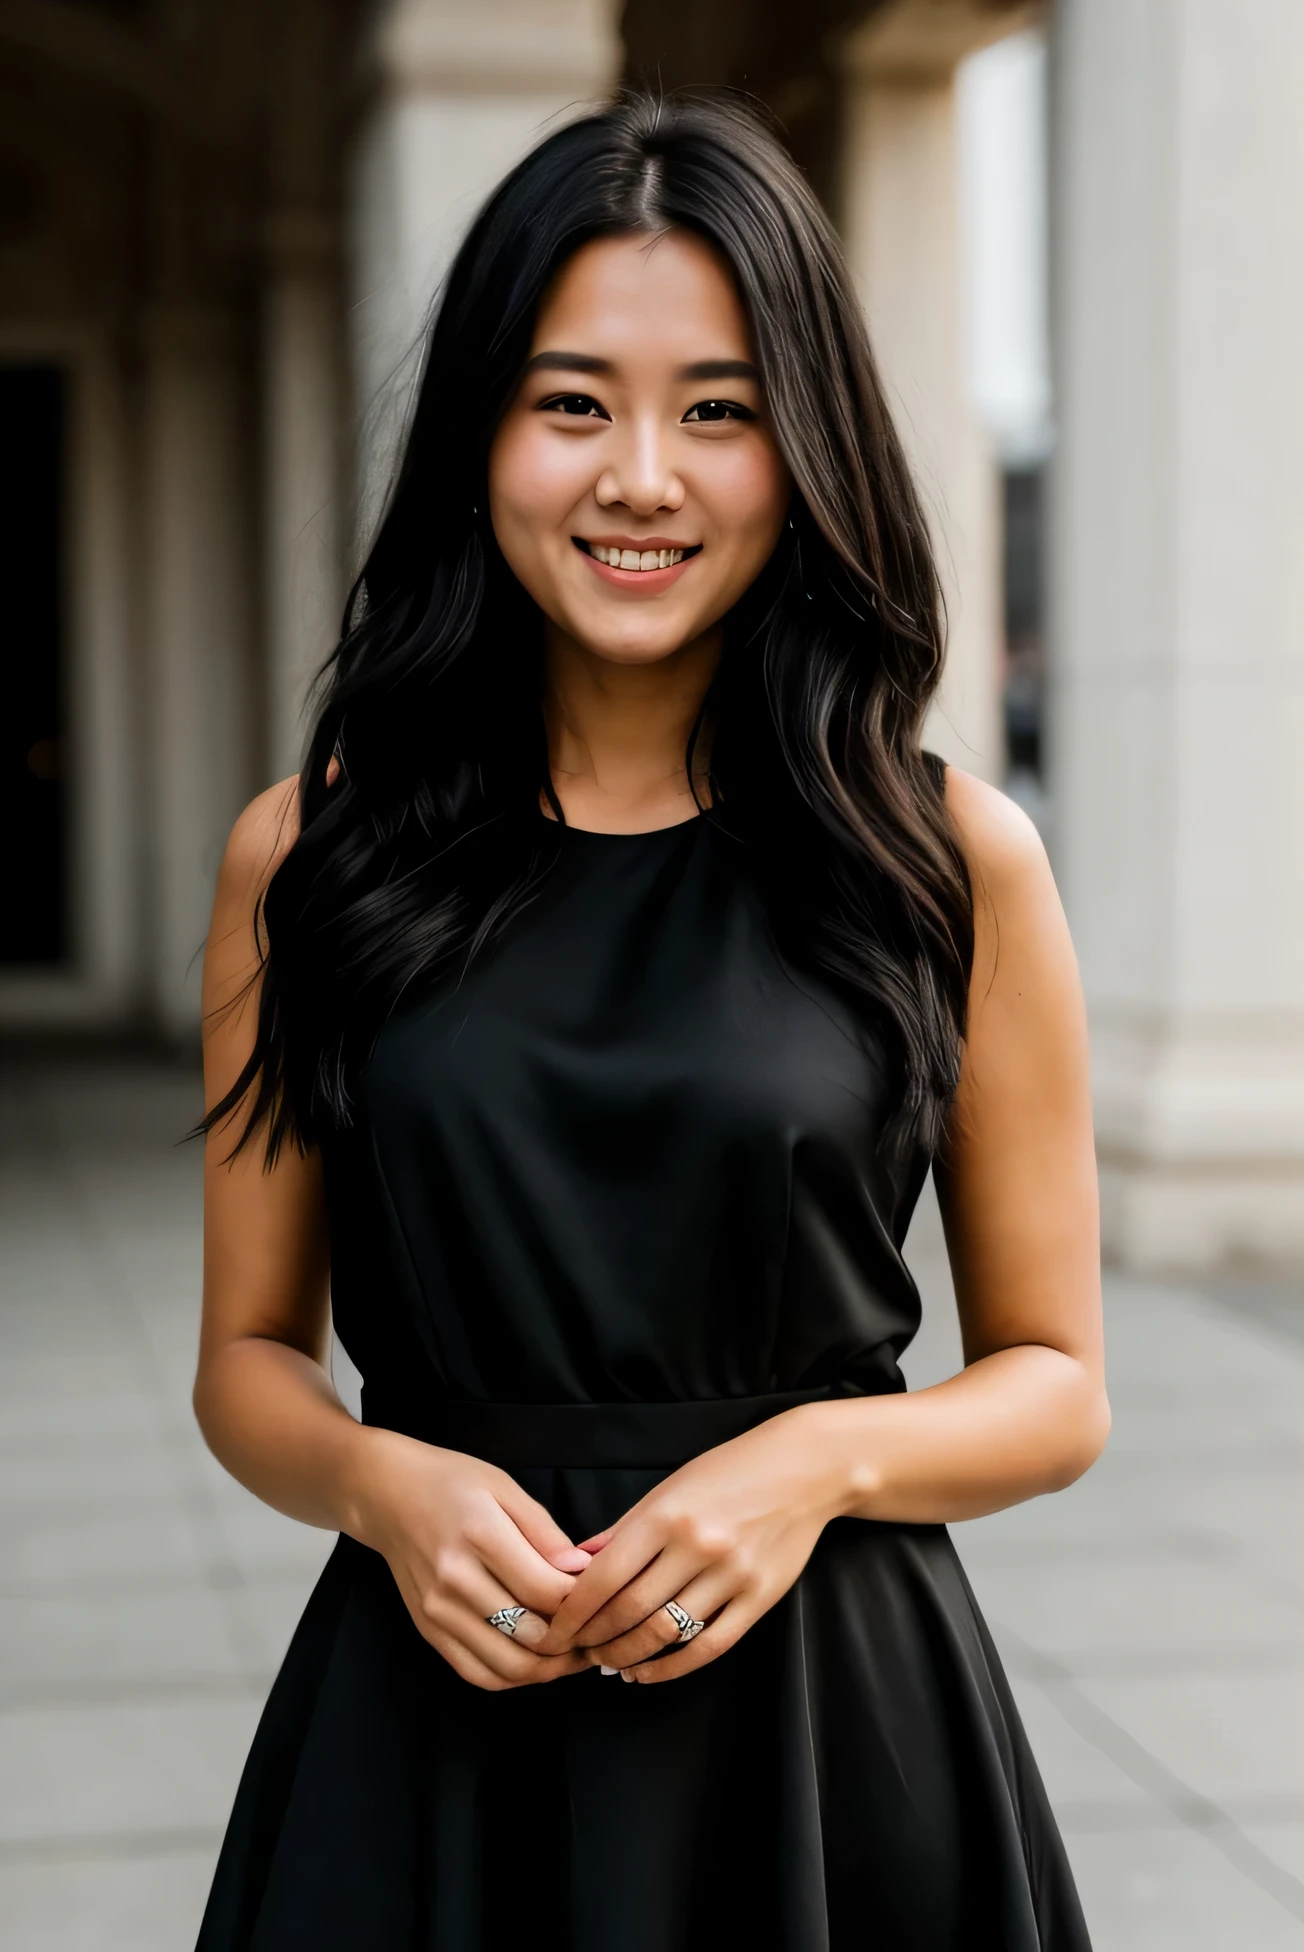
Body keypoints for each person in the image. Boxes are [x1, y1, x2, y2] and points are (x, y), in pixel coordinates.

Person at [193, 91, 1107, 1952]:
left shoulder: (947, 861)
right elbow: (246, 1364)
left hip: (833, 1735)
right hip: (431, 1724)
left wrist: (816, 1459)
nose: (642, 478)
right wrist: (381, 1487)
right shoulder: (307, 858)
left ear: (808, 448)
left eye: (720, 408)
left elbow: (1058, 1382)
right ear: (479, 438)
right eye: (571, 403)